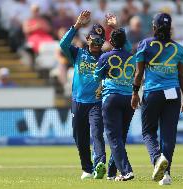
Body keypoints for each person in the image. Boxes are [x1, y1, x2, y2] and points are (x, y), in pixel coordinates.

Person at [131, 13, 183, 185]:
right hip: (174, 93)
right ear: (170, 28)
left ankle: (157, 159)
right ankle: (166, 175)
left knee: (148, 131)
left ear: (154, 27)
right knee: (168, 135)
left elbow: (138, 73)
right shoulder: (179, 49)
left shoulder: (144, 44)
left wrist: (135, 93)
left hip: (153, 93)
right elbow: (181, 76)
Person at [60, 10, 107, 180]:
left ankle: (100, 164)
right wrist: (77, 25)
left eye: (100, 41)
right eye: (94, 40)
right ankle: (87, 169)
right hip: (78, 101)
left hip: (96, 102)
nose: (97, 44)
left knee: (96, 133)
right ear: (88, 39)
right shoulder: (78, 54)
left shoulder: (105, 57)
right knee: (79, 136)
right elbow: (63, 45)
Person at [94, 28, 135, 181]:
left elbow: (96, 75)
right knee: (121, 136)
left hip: (111, 98)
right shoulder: (132, 58)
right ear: (125, 42)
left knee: (113, 137)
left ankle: (126, 171)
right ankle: (112, 172)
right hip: (129, 98)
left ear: (110, 42)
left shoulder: (105, 56)